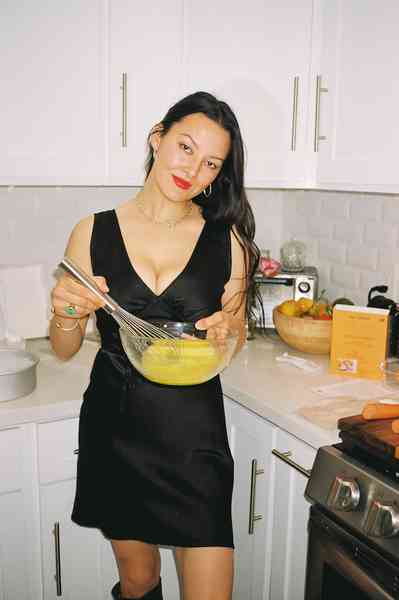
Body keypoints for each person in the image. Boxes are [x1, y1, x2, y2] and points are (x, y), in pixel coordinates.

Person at [49, 91, 260, 600]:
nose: (194, 170)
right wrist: (65, 312)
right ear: (157, 137)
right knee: (139, 581)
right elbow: (63, 347)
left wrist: (232, 330)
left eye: (211, 163)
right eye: (185, 147)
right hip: (117, 425)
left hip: (194, 434)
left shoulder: (226, 240)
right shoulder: (91, 231)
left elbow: (233, 332)